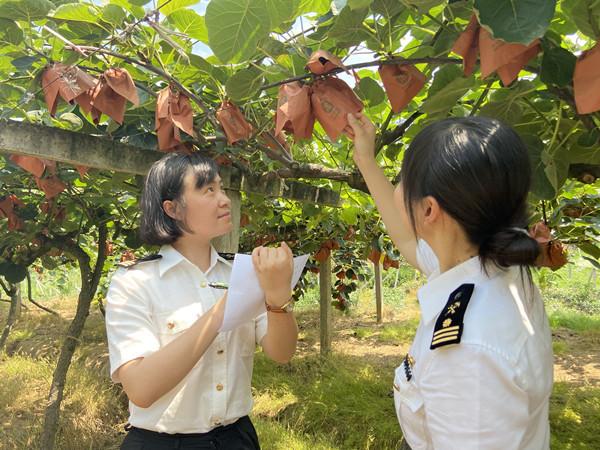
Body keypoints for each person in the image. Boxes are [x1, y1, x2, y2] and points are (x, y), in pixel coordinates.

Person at [347, 113, 553, 449]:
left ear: (429, 211)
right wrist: (365, 159)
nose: (399, 185)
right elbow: (406, 239)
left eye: (404, 177)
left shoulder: (467, 353)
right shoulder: (490, 264)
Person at [105, 152, 298, 449]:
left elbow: (281, 352)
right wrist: (221, 311)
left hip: (236, 438)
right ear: (172, 208)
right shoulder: (135, 282)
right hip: (162, 443)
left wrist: (277, 296)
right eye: (208, 190)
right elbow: (141, 388)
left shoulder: (241, 273)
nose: (223, 199)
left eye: (221, 188)